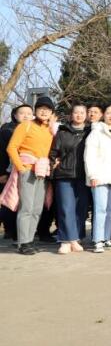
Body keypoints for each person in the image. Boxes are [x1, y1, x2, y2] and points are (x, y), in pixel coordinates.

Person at [2, 97, 55, 255]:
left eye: (47, 109)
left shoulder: (49, 129)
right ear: (35, 111)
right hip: (27, 171)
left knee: (37, 208)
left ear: (51, 112)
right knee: (26, 207)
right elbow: (11, 148)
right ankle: (23, 242)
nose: (44, 111)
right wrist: (21, 168)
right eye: (41, 108)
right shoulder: (25, 126)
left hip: (42, 171)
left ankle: (30, 240)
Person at [84, 103, 111, 254]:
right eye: (108, 113)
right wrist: (92, 175)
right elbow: (89, 155)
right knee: (100, 209)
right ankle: (98, 240)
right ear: (103, 115)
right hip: (100, 176)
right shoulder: (96, 132)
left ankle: (107, 238)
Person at [49, 104, 90, 254]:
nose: (79, 115)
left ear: (86, 115)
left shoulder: (90, 132)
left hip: (83, 175)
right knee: (66, 207)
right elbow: (53, 152)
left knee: (81, 208)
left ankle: (76, 238)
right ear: (71, 115)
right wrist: (53, 165)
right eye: (76, 112)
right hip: (64, 174)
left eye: (82, 112)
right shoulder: (62, 132)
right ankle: (66, 240)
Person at [0, 104, 33, 241]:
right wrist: (2, 172)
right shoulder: (6, 130)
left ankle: (25, 231)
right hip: (9, 171)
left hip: (30, 171)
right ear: (15, 115)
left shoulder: (35, 129)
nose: (25, 116)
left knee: (26, 201)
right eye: (22, 113)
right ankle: (10, 230)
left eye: (29, 113)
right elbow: (2, 153)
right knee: (10, 201)